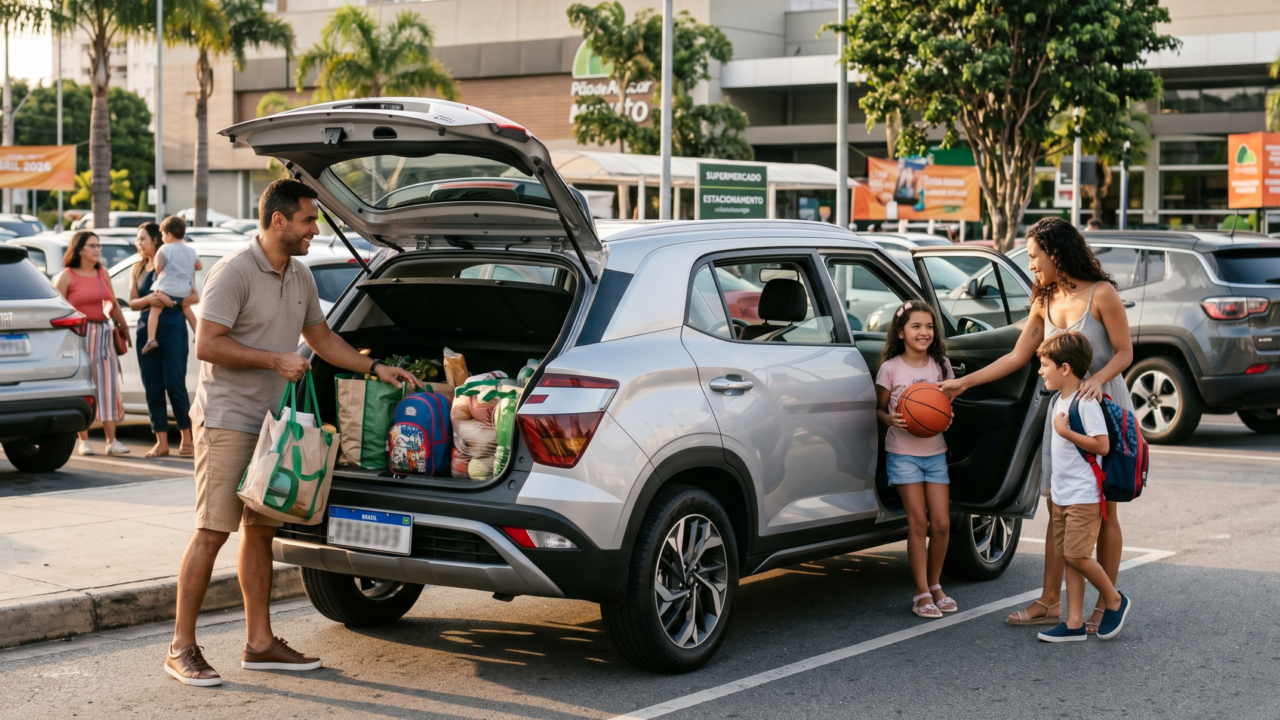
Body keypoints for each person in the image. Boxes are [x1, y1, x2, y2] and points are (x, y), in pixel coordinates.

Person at [165, 179, 422, 688]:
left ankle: (259, 643)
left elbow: (321, 338)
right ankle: (181, 647)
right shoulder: (233, 273)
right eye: (308, 220)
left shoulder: (299, 274)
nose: (314, 229)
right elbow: (208, 346)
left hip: (274, 425)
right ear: (278, 220)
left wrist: (375, 369)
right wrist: (274, 359)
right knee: (213, 530)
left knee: (261, 530)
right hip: (227, 418)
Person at [939, 216, 1133, 634]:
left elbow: (1124, 353)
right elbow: (1016, 356)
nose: (1031, 267)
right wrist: (962, 382)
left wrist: (1096, 381)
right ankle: (1049, 601)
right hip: (1061, 412)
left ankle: (1106, 602)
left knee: (1104, 509)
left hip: (1102, 409)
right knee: (1057, 505)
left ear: (1057, 253)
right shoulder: (1043, 300)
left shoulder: (1103, 294)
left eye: (1034, 257)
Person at [1033, 332, 1131, 642]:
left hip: (1084, 498)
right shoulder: (1059, 400)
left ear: (1064, 368)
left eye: (1044, 365)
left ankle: (1114, 600)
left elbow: (1101, 446)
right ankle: (1074, 622)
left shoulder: (1085, 402)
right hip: (1064, 495)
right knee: (1069, 556)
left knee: (1076, 556)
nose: (1040, 371)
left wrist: (1065, 431)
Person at [875, 300, 956, 619]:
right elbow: (879, 411)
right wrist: (888, 419)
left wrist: (946, 417)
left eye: (929, 327)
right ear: (900, 332)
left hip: (935, 453)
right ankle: (922, 592)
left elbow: (946, 408)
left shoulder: (941, 366)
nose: (924, 332)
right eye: (916, 326)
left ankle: (936, 585)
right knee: (918, 522)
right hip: (903, 453)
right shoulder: (891, 368)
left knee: (942, 523)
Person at [53, 231, 131, 456]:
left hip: (104, 333)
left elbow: (113, 303)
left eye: (98, 245)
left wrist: (123, 329)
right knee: (83, 385)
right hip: (78, 335)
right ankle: (83, 440)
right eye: (92, 246)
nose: (97, 250)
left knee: (108, 386)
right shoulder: (66, 276)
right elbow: (59, 311)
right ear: (79, 250)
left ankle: (111, 441)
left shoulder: (102, 273)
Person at [129, 222, 197, 457]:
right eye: (138, 239)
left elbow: (194, 295)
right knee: (153, 386)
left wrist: (173, 301)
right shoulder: (137, 269)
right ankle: (161, 441)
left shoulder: (175, 264)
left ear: (156, 240)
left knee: (174, 382)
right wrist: (151, 300)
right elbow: (132, 303)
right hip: (146, 329)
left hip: (173, 326)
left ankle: (187, 438)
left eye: (142, 239)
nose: (139, 243)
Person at [141, 215, 201, 354]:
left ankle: (151, 339)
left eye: (162, 234)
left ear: (168, 234)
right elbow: (198, 265)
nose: (162, 238)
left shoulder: (164, 249)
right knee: (187, 308)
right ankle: (198, 333)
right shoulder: (190, 250)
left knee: (155, 308)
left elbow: (158, 267)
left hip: (166, 289)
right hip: (185, 289)